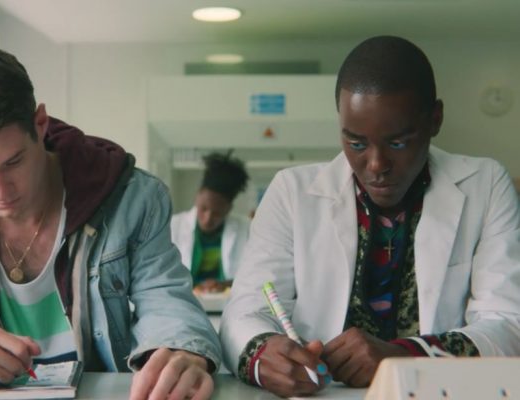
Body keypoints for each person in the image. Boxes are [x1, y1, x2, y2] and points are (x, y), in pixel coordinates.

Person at [0, 47, 221, 400]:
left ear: (40, 124)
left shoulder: (132, 198)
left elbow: (165, 299)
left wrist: (180, 351)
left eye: (13, 162)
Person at [220, 35, 520, 398]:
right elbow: (244, 311)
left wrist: (406, 356)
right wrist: (263, 353)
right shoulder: (291, 192)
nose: (376, 165)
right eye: (356, 144)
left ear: (435, 119)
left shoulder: (485, 186)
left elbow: (508, 325)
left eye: (398, 143)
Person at [171, 152, 250, 293]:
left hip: (228, 301)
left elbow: (254, 274)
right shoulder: (173, 226)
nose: (207, 219)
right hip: (183, 300)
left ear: (229, 209)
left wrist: (225, 284)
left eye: (217, 213)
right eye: (203, 208)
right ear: (197, 196)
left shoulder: (246, 228)